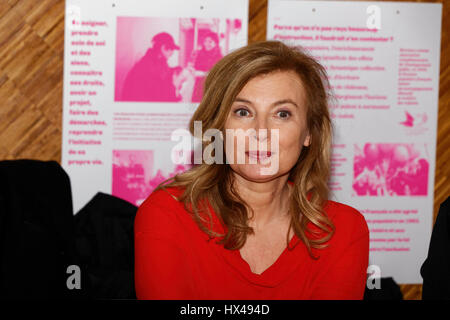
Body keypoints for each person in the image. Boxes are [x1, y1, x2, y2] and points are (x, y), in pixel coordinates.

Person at [134, 41, 369, 299]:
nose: (260, 132)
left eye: (282, 114)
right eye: (243, 112)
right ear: (218, 127)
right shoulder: (168, 214)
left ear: (309, 133)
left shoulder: (342, 230)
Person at [121, 32, 181, 102]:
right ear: (163, 48)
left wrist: (176, 70)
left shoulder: (157, 59)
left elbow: (163, 74)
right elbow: (161, 95)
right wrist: (178, 80)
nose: (172, 52)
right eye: (171, 49)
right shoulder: (147, 65)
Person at [190, 31, 223, 102]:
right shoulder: (200, 54)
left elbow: (219, 74)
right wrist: (192, 68)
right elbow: (195, 67)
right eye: (205, 41)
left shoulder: (219, 57)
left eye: (210, 41)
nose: (207, 44)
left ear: (216, 43)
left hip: (211, 87)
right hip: (198, 86)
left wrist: (202, 74)